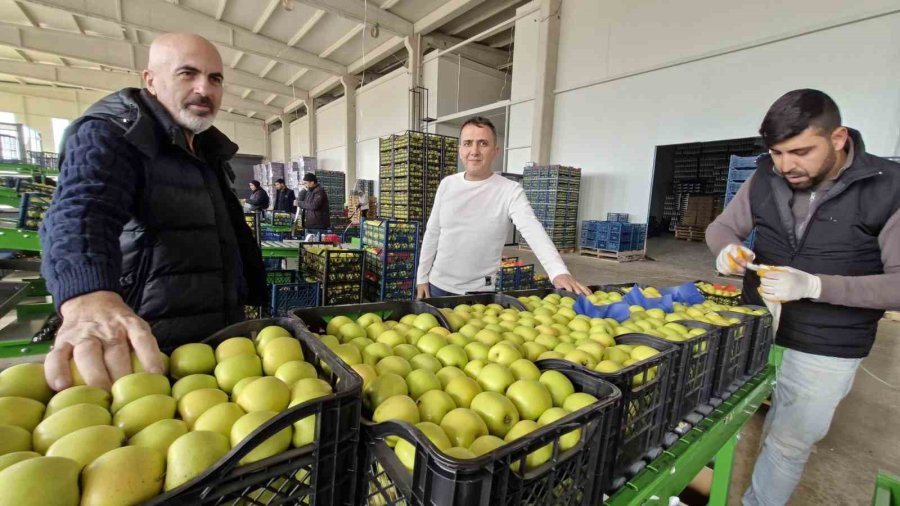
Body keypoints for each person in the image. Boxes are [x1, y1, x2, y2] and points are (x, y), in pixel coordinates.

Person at [38, 33, 266, 391]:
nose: (204, 89)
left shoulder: (206, 149)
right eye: (187, 74)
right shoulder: (114, 134)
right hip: (147, 346)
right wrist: (87, 295)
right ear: (150, 80)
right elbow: (82, 210)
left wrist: (255, 290)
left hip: (216, 341)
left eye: (215, 78)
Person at [706, 89, 900, 506]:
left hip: (829, 344)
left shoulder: (887, 188)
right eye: (776, 152)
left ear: (838, 138)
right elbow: (723, 227)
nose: (786, 165)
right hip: (758, 327)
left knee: (788, 441)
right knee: (720, 422)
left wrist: (815, 286)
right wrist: (726, 249)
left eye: (800, 151)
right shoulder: (765, 177)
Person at [416, 116, 590, 298]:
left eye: (483, 143)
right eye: (467, 143)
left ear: (495, 151)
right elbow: (432, 233)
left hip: (481, 292)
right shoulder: (447, 185)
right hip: (437, 286)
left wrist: (557, 271)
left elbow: (532, 229)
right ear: (460, 149)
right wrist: (422, 277)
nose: (474, 151)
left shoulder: (509, 190)